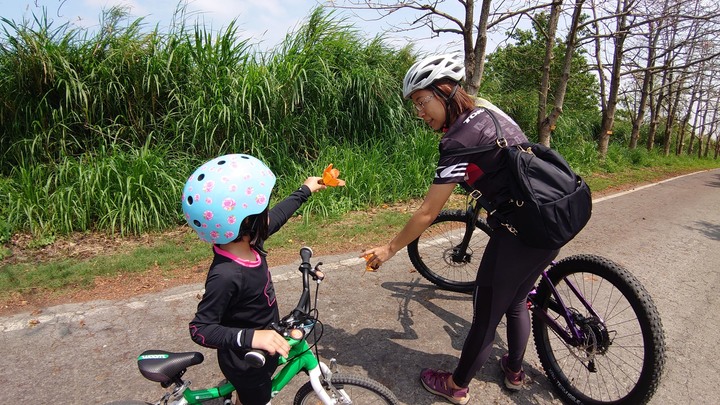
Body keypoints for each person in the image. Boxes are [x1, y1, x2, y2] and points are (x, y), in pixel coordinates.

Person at [361, 53, 560, 405]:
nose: (420, 112)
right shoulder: (489, 111)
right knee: (516, 301)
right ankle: (514, 371)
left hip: (519, 232)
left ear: (446, 91)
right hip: (549, 215)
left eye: (423, 101)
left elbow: (428, 212)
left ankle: (456, 386)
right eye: (416, 106)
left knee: (486, 314)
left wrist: (388, 249)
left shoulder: (456, 142)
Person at [182, 154, 327, 405]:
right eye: (262, 210)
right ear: (247, 221)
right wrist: (253, 337)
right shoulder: (226, 274)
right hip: (247, 364)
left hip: (263, 347)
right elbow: (200, 329)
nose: (267, 215)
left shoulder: (248, 241)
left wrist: (305, 190)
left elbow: (278, 217)